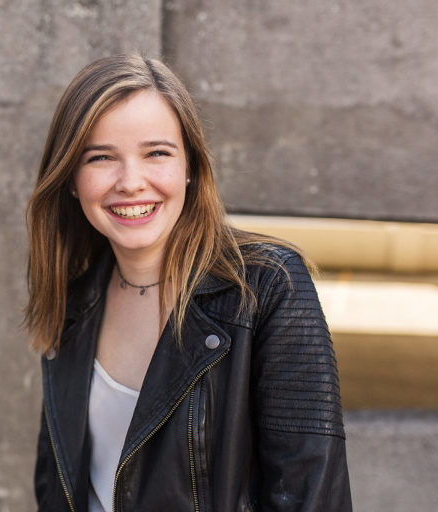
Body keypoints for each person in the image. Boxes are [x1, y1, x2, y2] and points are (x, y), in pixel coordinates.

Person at [24, 54, 352, 512]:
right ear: (72, 180)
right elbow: (55, 490)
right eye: (100, 158)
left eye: (156, 153)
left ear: (191, 166)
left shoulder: (268, 288)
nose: (131, 182)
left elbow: (310, 494)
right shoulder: (74, 305)